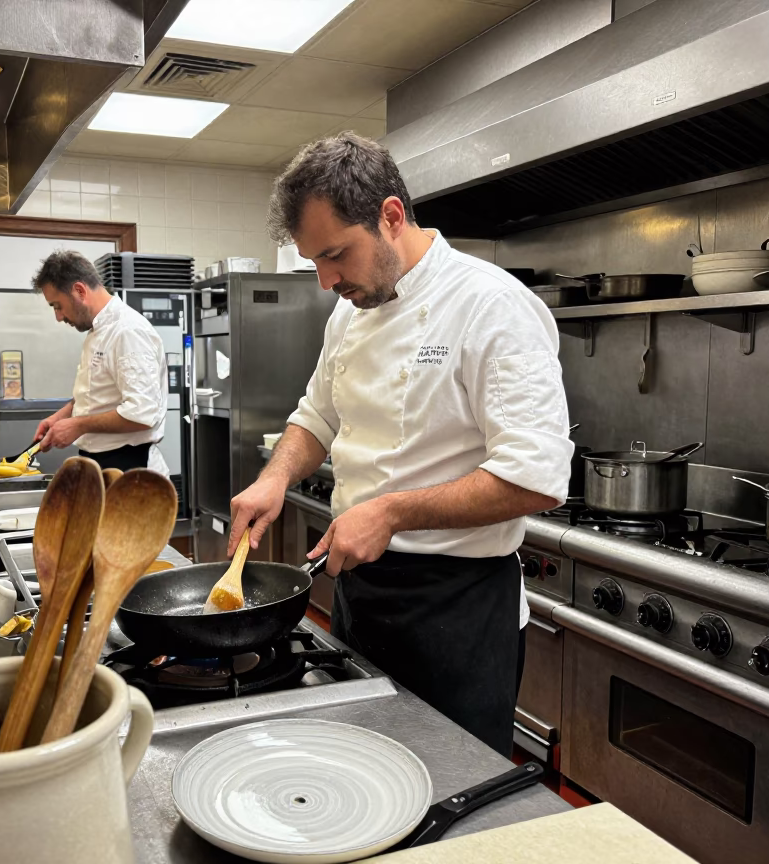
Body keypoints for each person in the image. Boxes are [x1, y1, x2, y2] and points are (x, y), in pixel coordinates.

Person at [228, 132, 572, 756]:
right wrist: (275, 477)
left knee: (450, 796)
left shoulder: (490, 305)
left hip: (458, 608)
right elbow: (316, 416)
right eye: (315, 263)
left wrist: (390, 511)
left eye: (336, 255)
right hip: (361, 589)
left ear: (391, 216)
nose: (326, 280)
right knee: (369, 775)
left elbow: (537, 477)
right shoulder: (349, 311)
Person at [31, 250, 168, 474]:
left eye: (57, 306)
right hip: (101, 463)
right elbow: (99, 396)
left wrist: (78, 425)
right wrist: (60, 417)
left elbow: (142, 414)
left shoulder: (127, 331)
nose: (58, 317)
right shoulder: (98, 329)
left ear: (79, 291)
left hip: (130, 467)